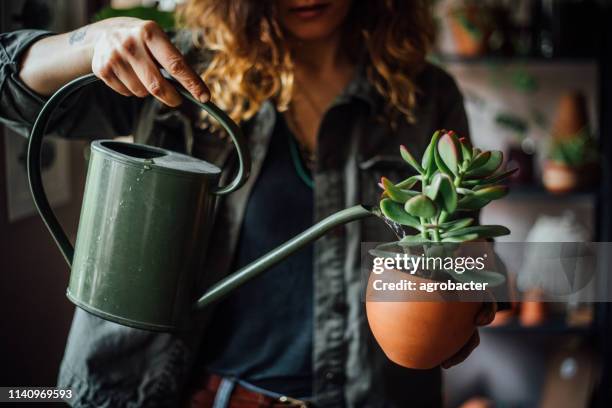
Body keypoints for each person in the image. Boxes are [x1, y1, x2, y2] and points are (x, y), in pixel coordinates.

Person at [0, 0, 497, 406]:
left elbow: (464, 254)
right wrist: (94, 39)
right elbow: (10, 89)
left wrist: (466, 301)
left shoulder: (426, 95)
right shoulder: (176, 69)